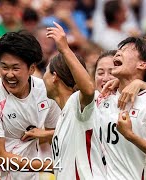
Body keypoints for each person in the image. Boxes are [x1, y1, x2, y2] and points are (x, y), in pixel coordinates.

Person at [0, 30, 60, 180]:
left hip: (29, 175)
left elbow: (55, 134)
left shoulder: (45, 91)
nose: (9, 74)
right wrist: (51, 165)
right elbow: (0, 157)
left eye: (16, 68)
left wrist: (45, 134)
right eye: (4, 67)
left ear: (31, 68)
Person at [24, 22, 105, 179]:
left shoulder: (77, 104)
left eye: (46, 71)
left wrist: (64, 49)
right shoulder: (64, 115)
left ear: (54, 77)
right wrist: (47, 134)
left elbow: (88, 89)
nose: (42, 77)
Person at [97, 36, 146, 179]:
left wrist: (130, 136)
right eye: (119, 49)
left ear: (142, 64)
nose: (118, 53)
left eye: (126, 50)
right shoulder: (104, 98)